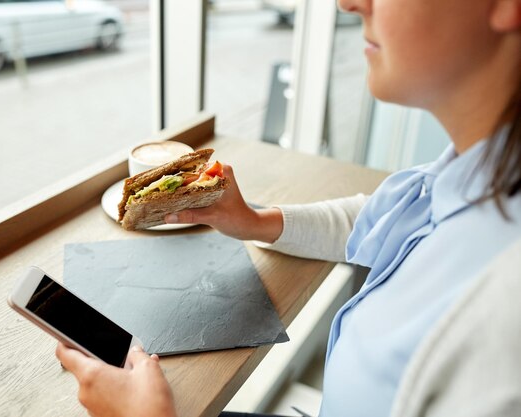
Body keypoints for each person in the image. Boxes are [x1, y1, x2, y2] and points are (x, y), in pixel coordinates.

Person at [56, 0, 521, 415]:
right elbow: (377, 218)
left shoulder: (502, 322)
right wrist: (255, 222)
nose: (349, 4)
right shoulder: (474, 174)